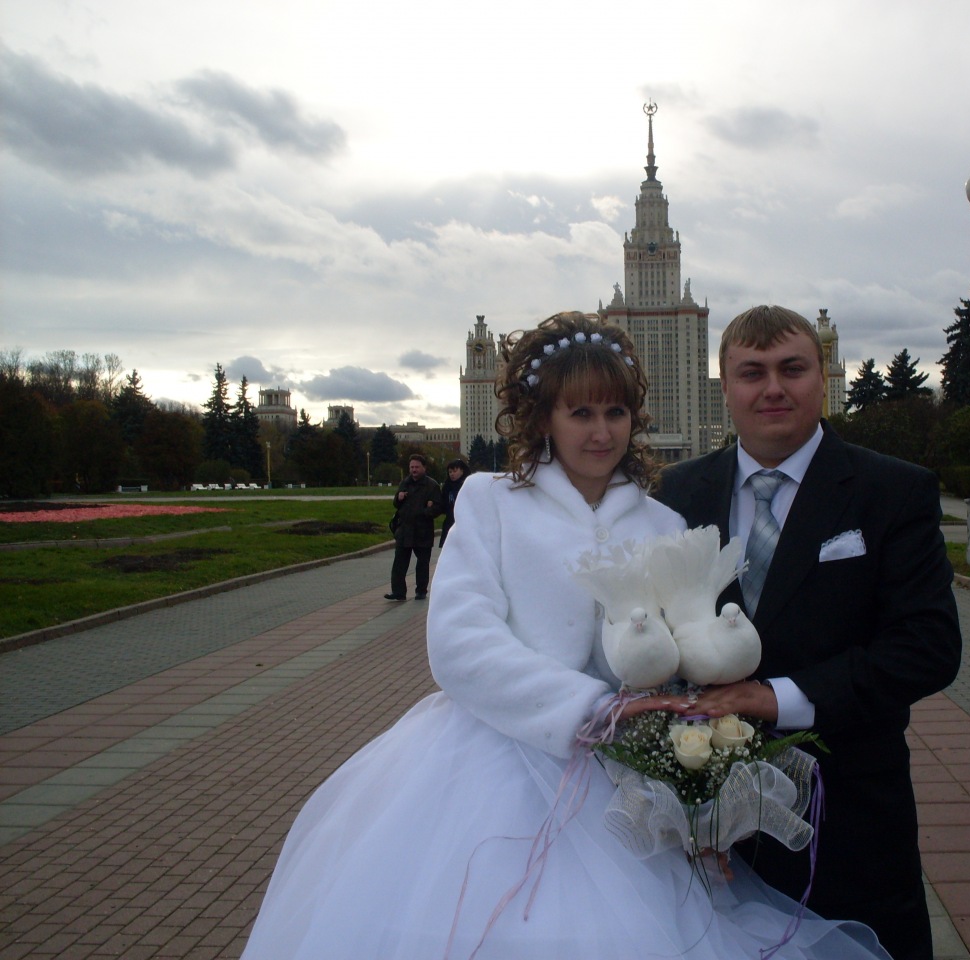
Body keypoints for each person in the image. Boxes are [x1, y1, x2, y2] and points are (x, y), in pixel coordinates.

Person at [240, 312, 890, 960]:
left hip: (626, 784)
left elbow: (682, 658)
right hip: (491, 768)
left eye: (615, 412)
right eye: (580, 413)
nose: (601, 431)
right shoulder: (491, 502)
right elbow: (460, 642)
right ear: (543, 418)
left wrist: (700, 794)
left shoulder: (663, 522)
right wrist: (589, 710)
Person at [657, 305, 963, 960]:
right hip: (707, 834)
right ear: (724, 386)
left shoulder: (892, 491)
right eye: (752, 373)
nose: (773, 388)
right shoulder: (675, 494)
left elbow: (928, 647)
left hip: (847, 824)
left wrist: (775, 699)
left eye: (791, 369)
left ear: (821, 377)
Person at [386, 453, 441, 600]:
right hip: (405, 529)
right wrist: (398, 498)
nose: (414, 470)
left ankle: (421, 591)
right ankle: (398, 592)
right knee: (399, 563)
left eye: (417, 467)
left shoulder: (432, 485)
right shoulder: (405, 483)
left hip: (423, 530)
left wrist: (426, 511)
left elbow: (438, 508)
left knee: (422, 563)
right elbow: (396, 503)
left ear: (424, 468)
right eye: (412, 467)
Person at [438, 457, 471, 547]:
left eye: (455, 471)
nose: (452, 474)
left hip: (465, 523)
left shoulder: (467, 485)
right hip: (450, 522)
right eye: (450, 472)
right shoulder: (447, 487)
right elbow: (443, 504)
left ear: (462, 471)